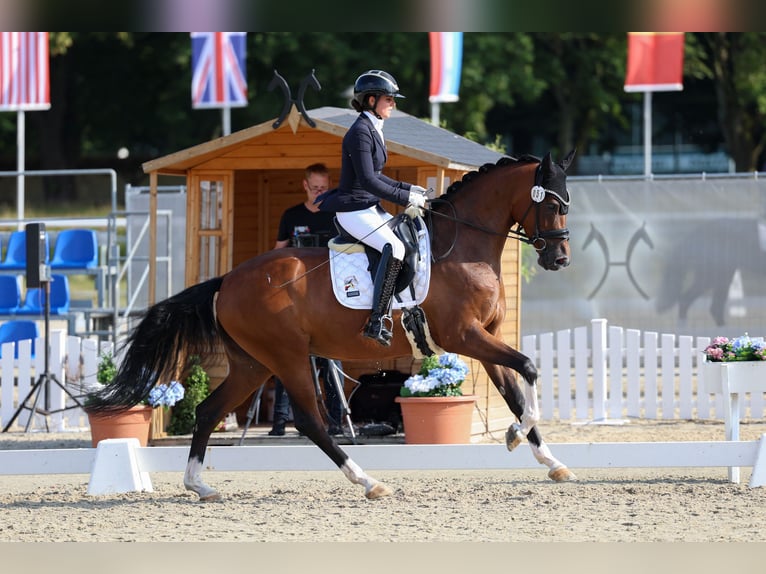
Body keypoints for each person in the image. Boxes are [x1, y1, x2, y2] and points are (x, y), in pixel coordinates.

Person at [316, 69, 428, 347]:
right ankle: (376, 320)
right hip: (353, 210)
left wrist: (409, 189)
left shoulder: (372, 128)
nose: (393, 104)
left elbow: (378, 175)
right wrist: (406, 199)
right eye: (389, 99)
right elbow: (367, 180)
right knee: (396, 248)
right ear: (370, 101)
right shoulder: (359, 133)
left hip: (368, 206)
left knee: (408, 238)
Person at [269, 163, 344, 436]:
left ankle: (335, 421)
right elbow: (277, 253)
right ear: (305, 185)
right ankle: (279, 423)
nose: (319, 193)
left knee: (332, 358)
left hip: (329, 298)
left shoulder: (336, 214)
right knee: (287, 359)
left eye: (324, 189)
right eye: (315, 188)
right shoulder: (291, 215)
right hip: (295, 299)